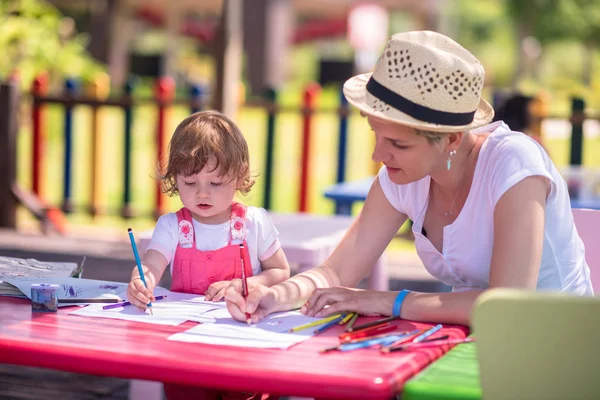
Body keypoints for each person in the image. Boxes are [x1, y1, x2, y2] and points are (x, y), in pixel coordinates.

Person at [225, 30, 594, 328]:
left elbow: (506, 304)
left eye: (397, 143)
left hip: (556, 354)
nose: (378, 156)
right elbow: (337, 271)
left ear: (451, 138)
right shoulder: (407, 176)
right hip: (476, 346)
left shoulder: (514, 163)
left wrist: (388, 301)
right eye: (376, 135)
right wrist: (275, 296)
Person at [127, 110, 289, 400]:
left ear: (239, 177)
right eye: (190, 183)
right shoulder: (172, 226)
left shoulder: (253, 223)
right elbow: (152, 264)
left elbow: (280, 271)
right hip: (185, 351)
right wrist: (141, 281)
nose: (202, 194)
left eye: (215, 183)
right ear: (175, 179)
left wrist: (245, 285)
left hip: (242, 346)